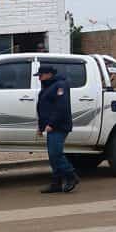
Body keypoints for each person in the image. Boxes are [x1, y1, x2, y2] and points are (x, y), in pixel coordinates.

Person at [37, 65, 80, 194]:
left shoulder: (60, 85)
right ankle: (56, 183)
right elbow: (43, 108)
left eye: (41, 75)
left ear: (49, 74)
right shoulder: (47, 87)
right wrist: (41, 127)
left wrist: (51, 124)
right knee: (52, 156)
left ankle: (71, 176)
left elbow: (61, 107)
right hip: (51, 126)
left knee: (56, 154)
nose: (39, 78)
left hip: (59, 126)